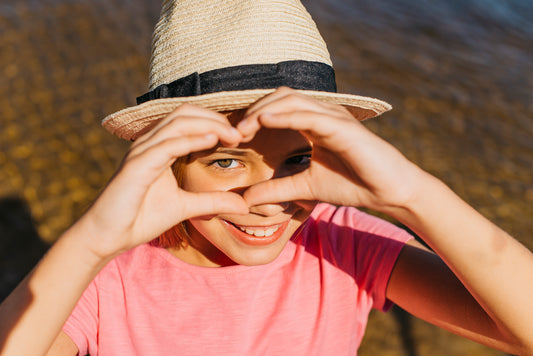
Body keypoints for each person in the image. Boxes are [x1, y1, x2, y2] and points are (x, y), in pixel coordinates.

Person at [1, 0, 532, 355]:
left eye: (297, 160)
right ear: (168, 162)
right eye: (226, 161)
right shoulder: (105, 280)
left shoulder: (346, 243)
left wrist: (412, 195)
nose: (267, 200)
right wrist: (92, 241)